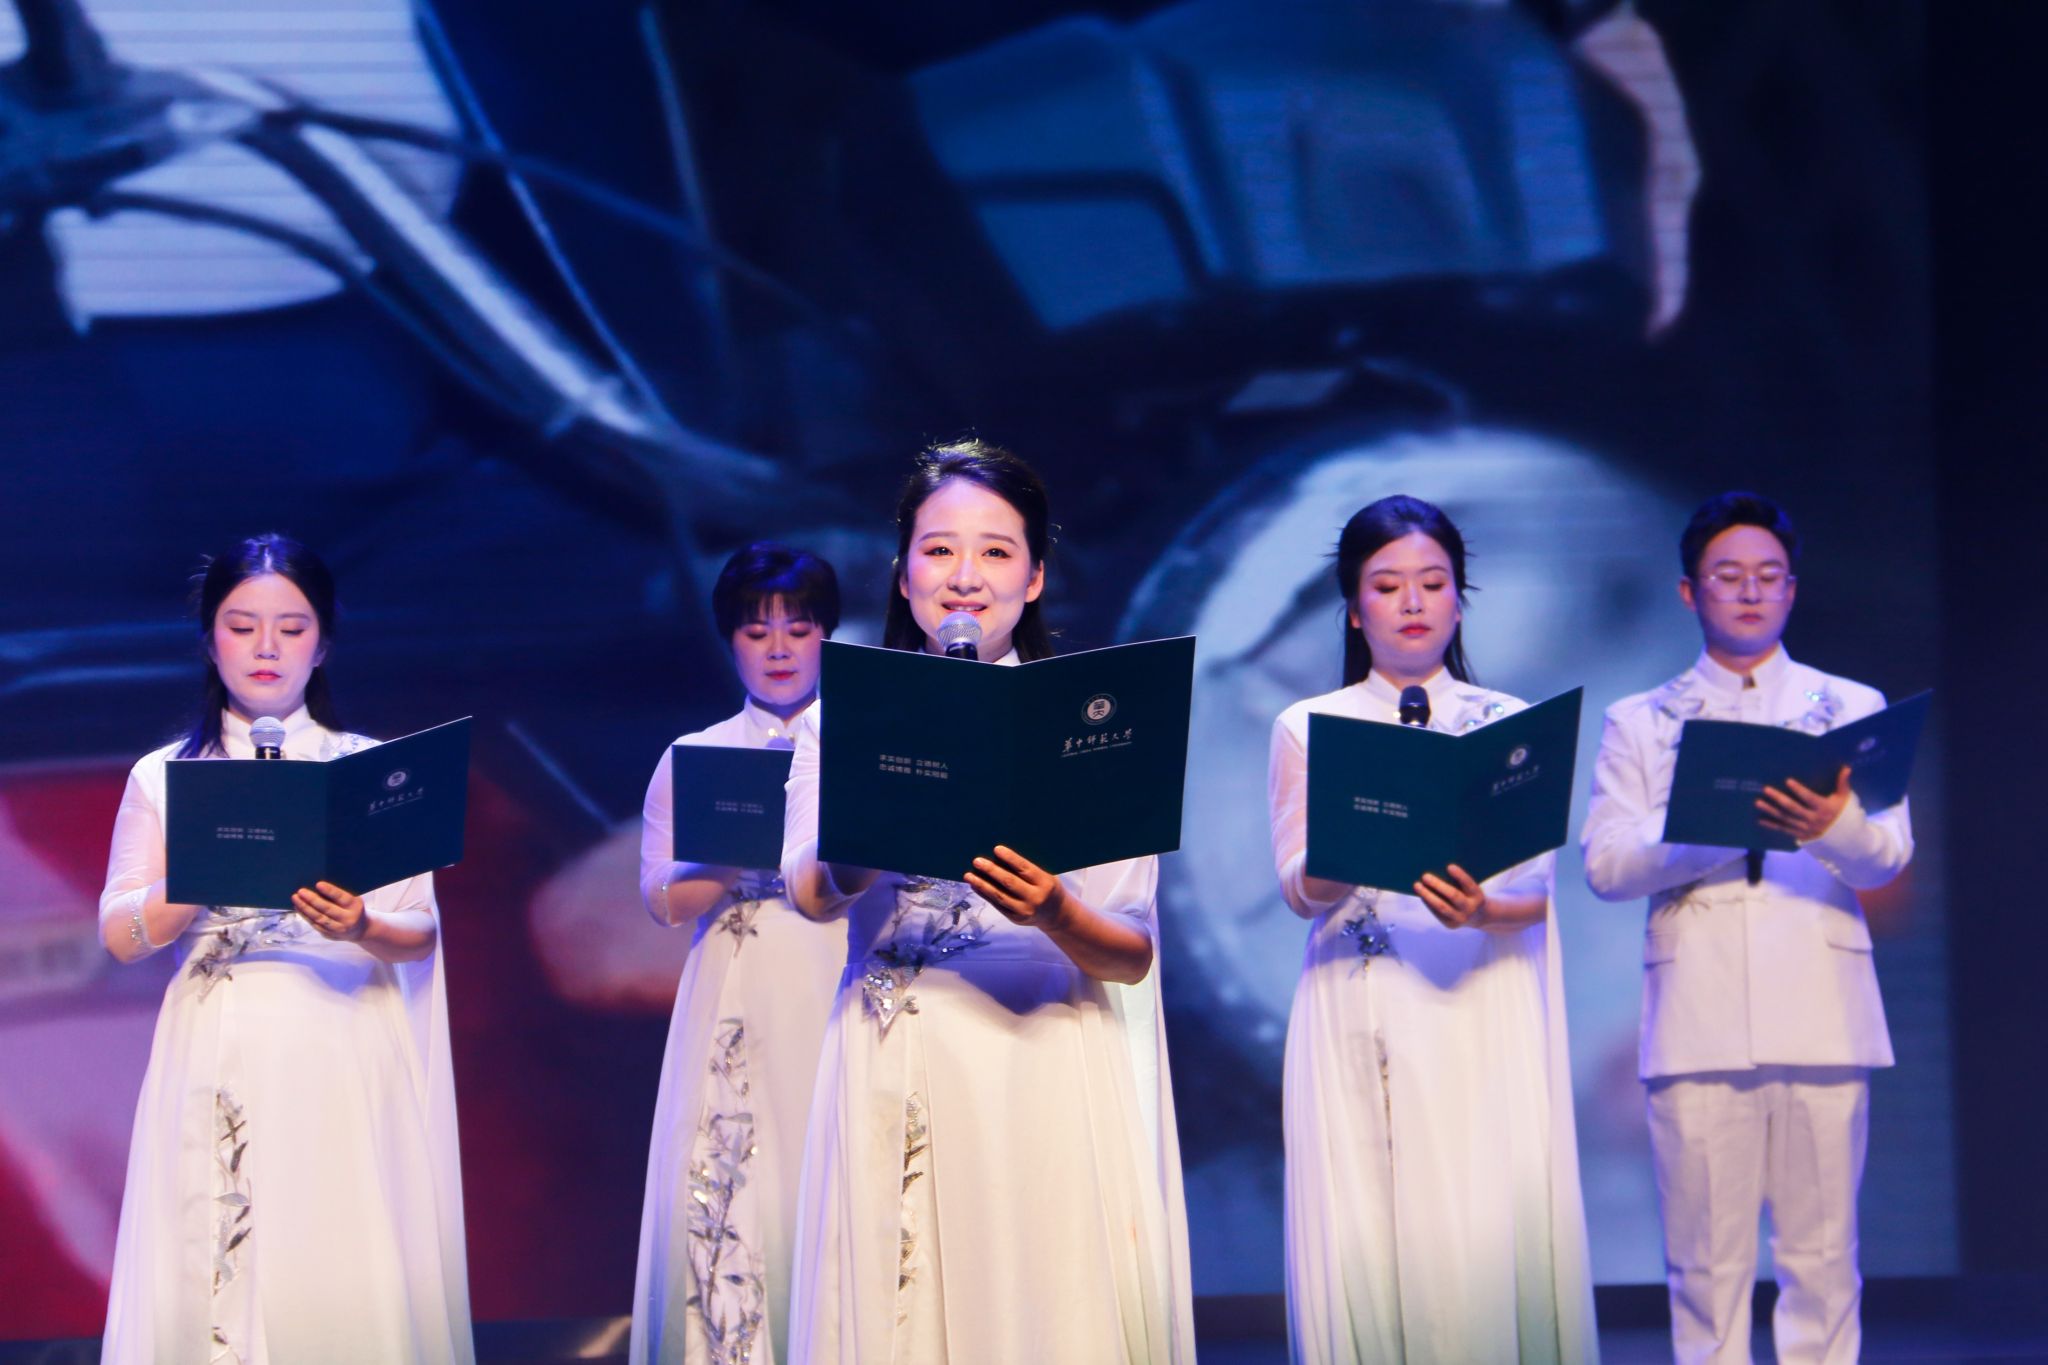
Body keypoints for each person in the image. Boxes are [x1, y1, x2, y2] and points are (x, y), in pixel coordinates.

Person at [779, 440, 1195, 1364]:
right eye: (939, 549)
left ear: (1035, 577)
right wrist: (876, 823)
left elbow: (1131, 950)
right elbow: (808, 890)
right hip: (897, 1046)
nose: (965, 576)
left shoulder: (1091, 722)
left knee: (1036, 1306)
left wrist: (1054, 910)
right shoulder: (844, 714)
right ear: (903, 574)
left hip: (1038, 1051)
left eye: (997, 551)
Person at [96, 533, 471, 1364]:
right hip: (218, 1038)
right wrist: (199, 869)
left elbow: (420, 931)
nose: (266, 647)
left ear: (323, 642)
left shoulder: (367, 767)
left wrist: (360, 924)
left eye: (292, 628)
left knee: (337, 1252)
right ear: (209, 639)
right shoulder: (165, 774)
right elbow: (119, 933)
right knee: (216, 1248)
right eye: (242, 626)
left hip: (339, 1037)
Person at [1267, 495, 1597, 1364]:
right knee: (1374, 1230)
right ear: (1353, 606)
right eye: (1386, 585)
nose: (1412, 601)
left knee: (1475, 1229)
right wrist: (1355, 839)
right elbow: (1298, 886)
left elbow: (1538, 894)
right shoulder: (1309, 726)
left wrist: (1480, 907)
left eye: (1433, 582)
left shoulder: (1508, 723)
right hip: (1361, 995)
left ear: (1459, 597)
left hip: (1476, 998)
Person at [1582, 493, 1911, 1365]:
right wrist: (1710, 829)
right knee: (1705, 1262)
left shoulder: (1851, 705)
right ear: (1690, 592)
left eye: (1769, 575)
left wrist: (1832, 823)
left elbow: (1887, 856)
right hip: (1698, 1014)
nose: (1752, 591)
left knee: (1823, 1256)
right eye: (1729, 575)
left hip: (1823, 1008)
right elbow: (1606, 865)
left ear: (1792, 589)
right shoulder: (1642, 719)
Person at [630, 543, 850, 1365]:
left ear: (828, 635)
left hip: (838, 972)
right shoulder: (695, 754)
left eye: (799, 627)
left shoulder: (862, 748)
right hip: (739, 980)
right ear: (730, 640)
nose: (780, 647)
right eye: (758, 631)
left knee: (832, 1163)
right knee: (738, 1178)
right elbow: (661, 898)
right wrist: (733, 847)